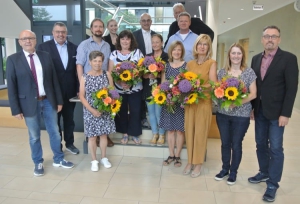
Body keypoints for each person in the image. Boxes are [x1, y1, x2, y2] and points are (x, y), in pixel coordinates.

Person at [6, 30, 74, 176]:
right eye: (24, 39)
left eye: (30, 38)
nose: (27, 41)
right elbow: (11, 86)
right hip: (28, 104)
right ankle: (38, 161)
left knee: (55, 132)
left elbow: (53, 80)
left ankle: (59, 158)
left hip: (48, 101)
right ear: (19, 42)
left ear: (35, 40)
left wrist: (59, 101)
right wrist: (15, 109)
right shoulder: (13, 59)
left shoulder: (45, 56)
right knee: (34, 136)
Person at [248, 25, 298, 202]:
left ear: (279, 39)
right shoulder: (255, 59)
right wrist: (252, 108)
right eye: (267, 36)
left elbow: (292, 89)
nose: (270, 39)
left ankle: (272, 184)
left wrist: (286, 113)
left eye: (274, 36)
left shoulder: (289, 59)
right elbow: (255, 86)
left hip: (277, 114)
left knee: (276, 148)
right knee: (260, 143)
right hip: (260, 110)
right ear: (262, 39)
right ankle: (263, 172)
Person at [214, 43, 257, 184]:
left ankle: (233, 172)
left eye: (239, 53)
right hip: (223, 114)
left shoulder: (249, 72)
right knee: (225, 143)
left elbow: (253, 94)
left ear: (242, 55)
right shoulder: (222, 73)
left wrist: (236, 102)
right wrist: (222, 99)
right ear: (229, 55)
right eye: (233, 53)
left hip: (241, 115)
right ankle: (224, 169)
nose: (236, 56)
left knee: (236, 144)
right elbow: (217, 91)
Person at [38, 22, 79, 155]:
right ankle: (58, 147)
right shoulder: (43, 48)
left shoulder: (74, 48)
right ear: (53, 33)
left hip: (70, 91)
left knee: (69, 120)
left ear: (66, 33)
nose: (60, 34)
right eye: (58, 32)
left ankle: (70, 144)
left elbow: (77, 72)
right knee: (55, 123)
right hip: (52, 93)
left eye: (63, 32)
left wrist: (79, 88)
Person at [76, 18, 114, 147]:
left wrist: (109, 84)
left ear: (103, 29)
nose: (98, 29)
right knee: (91, 113)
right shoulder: (84, 45)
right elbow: (79, 65)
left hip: (103, 83)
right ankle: (93, 139)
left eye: (101, 27)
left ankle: (104, 136)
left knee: (104, 111)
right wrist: (82, 84)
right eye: (95, 26)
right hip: (90, 84)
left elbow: (108, 64)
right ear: (91, 29)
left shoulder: (107, 45)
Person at [183, 34, 217, 178]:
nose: (202, 47)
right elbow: (184, 81)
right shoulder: (189, 64)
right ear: (196, 47)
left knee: (200, 134)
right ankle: (190, 161)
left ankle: (198, 163)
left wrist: (197, 87)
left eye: (205, 44)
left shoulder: (212, 63)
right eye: (200, 44)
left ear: (208, 47)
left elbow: (212, 83)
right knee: (189, 132)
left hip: (204, 102)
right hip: (190, 103)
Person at [79, 51, 114, 171]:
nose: (97, 63)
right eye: (95, 61)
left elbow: (112, 92)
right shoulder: (85, 77)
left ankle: (104, 157)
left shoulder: (107, 74)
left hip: (104, 111)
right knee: (92, 137)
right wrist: (92, 110)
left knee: (104, 135)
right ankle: (94, 160)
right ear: (90, 62)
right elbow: (82, 96)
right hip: (90, 111)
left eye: (100, 61)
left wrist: (108, 104)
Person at [108, 30, 144, 145]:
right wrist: (119, 82)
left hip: (135, 88)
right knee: (122, 111)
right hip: (119, 89)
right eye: (122, 39)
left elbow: (142, 71)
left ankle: (134, 134)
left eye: (127, 39)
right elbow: (110, 72)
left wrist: (132, 81)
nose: (125, 41)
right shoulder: (114, 54)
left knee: (135, 111)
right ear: (119, 40)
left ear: (131, 40)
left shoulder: (138, 52)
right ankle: (124, 133)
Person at [160, 41, 186, 167]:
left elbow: (188, 84)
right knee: (170, 130)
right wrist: (166, 96)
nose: (176, 52)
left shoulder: (186, 66)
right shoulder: (166, 66)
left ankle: (178, 156)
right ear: (171, 51)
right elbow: (163, 84)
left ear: (182, 52)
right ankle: (171, 154)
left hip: (181, 103)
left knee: (180, 131)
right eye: (174, 49)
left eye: (179, 50)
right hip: (169, 102)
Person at [143, 34, 168, 146]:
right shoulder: (147, 57)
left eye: (157, 42)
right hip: (149, 88)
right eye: (153, 42)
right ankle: (155, 134)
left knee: (159, 113)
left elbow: (167, 74)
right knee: (151, 113)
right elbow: (142, 74)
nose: (155, 44)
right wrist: (148, 75)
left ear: (162, 43)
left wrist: (157, 76)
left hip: (160, 89)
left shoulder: (166, 57)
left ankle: (162, 134)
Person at [133, 13, 157, 129]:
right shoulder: (134, 35)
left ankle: (152, 117)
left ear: (151, 22)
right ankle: (142, 118)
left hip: (153, 69)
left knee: (151, 92)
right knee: (140, 94)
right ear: (140, 22)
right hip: (139, 68)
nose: (146, 23)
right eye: (144, 21)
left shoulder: (156, 35)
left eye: (148, 20)